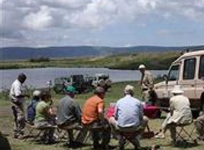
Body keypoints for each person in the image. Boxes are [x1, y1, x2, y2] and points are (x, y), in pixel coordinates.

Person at [109, 85, 148, 150]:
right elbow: (141, 116)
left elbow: (115, 116)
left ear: (124, 92)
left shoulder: (119, 101)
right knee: (145, 119)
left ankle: (119, 137)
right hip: (135, 127)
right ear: (133, 93)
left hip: (121, 127)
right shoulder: (138, 102)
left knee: (110, 119)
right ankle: (137, 137)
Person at [9, 73, 30, 138]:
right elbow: (17, 94)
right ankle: (20, 133)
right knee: (21, 118)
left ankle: (16, 133)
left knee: (16, 118)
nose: (24, 81)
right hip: (17, 103)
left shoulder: (17, 83)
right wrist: (26, 95)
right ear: (20, 78)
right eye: (23, 79)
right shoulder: (17, 84)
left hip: (15, 103)